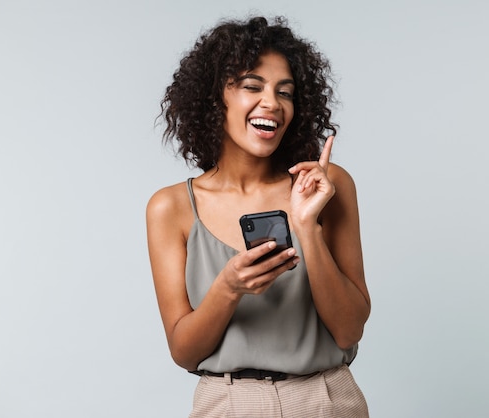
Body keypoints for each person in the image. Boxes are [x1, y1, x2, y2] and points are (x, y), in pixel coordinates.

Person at [146, 15, 371, 417]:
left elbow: (349, 329)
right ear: (216, 97)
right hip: (228, 403)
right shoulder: (171, 207)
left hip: (325, 398)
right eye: (253, 86)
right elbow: (184, 352)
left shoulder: (325, 185)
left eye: (285, 92)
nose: (272, 102)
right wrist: (228, 288)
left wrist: (307, 227)